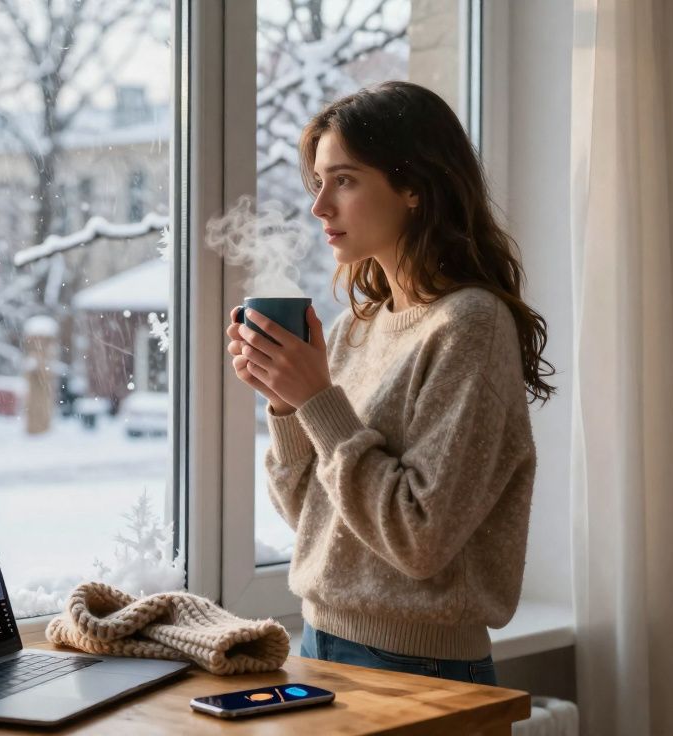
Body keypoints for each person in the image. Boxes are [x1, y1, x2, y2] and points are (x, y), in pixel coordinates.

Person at [226, 80, 554, 686]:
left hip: (419, 666)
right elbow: (319, 522)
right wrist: (286, 405)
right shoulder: (358, 326)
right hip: (321, 642)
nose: (320, 206)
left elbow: (419, 539)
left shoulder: (471, 326)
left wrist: (319, 402)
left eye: (344, 180)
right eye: (318, 182)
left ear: (413, 189)